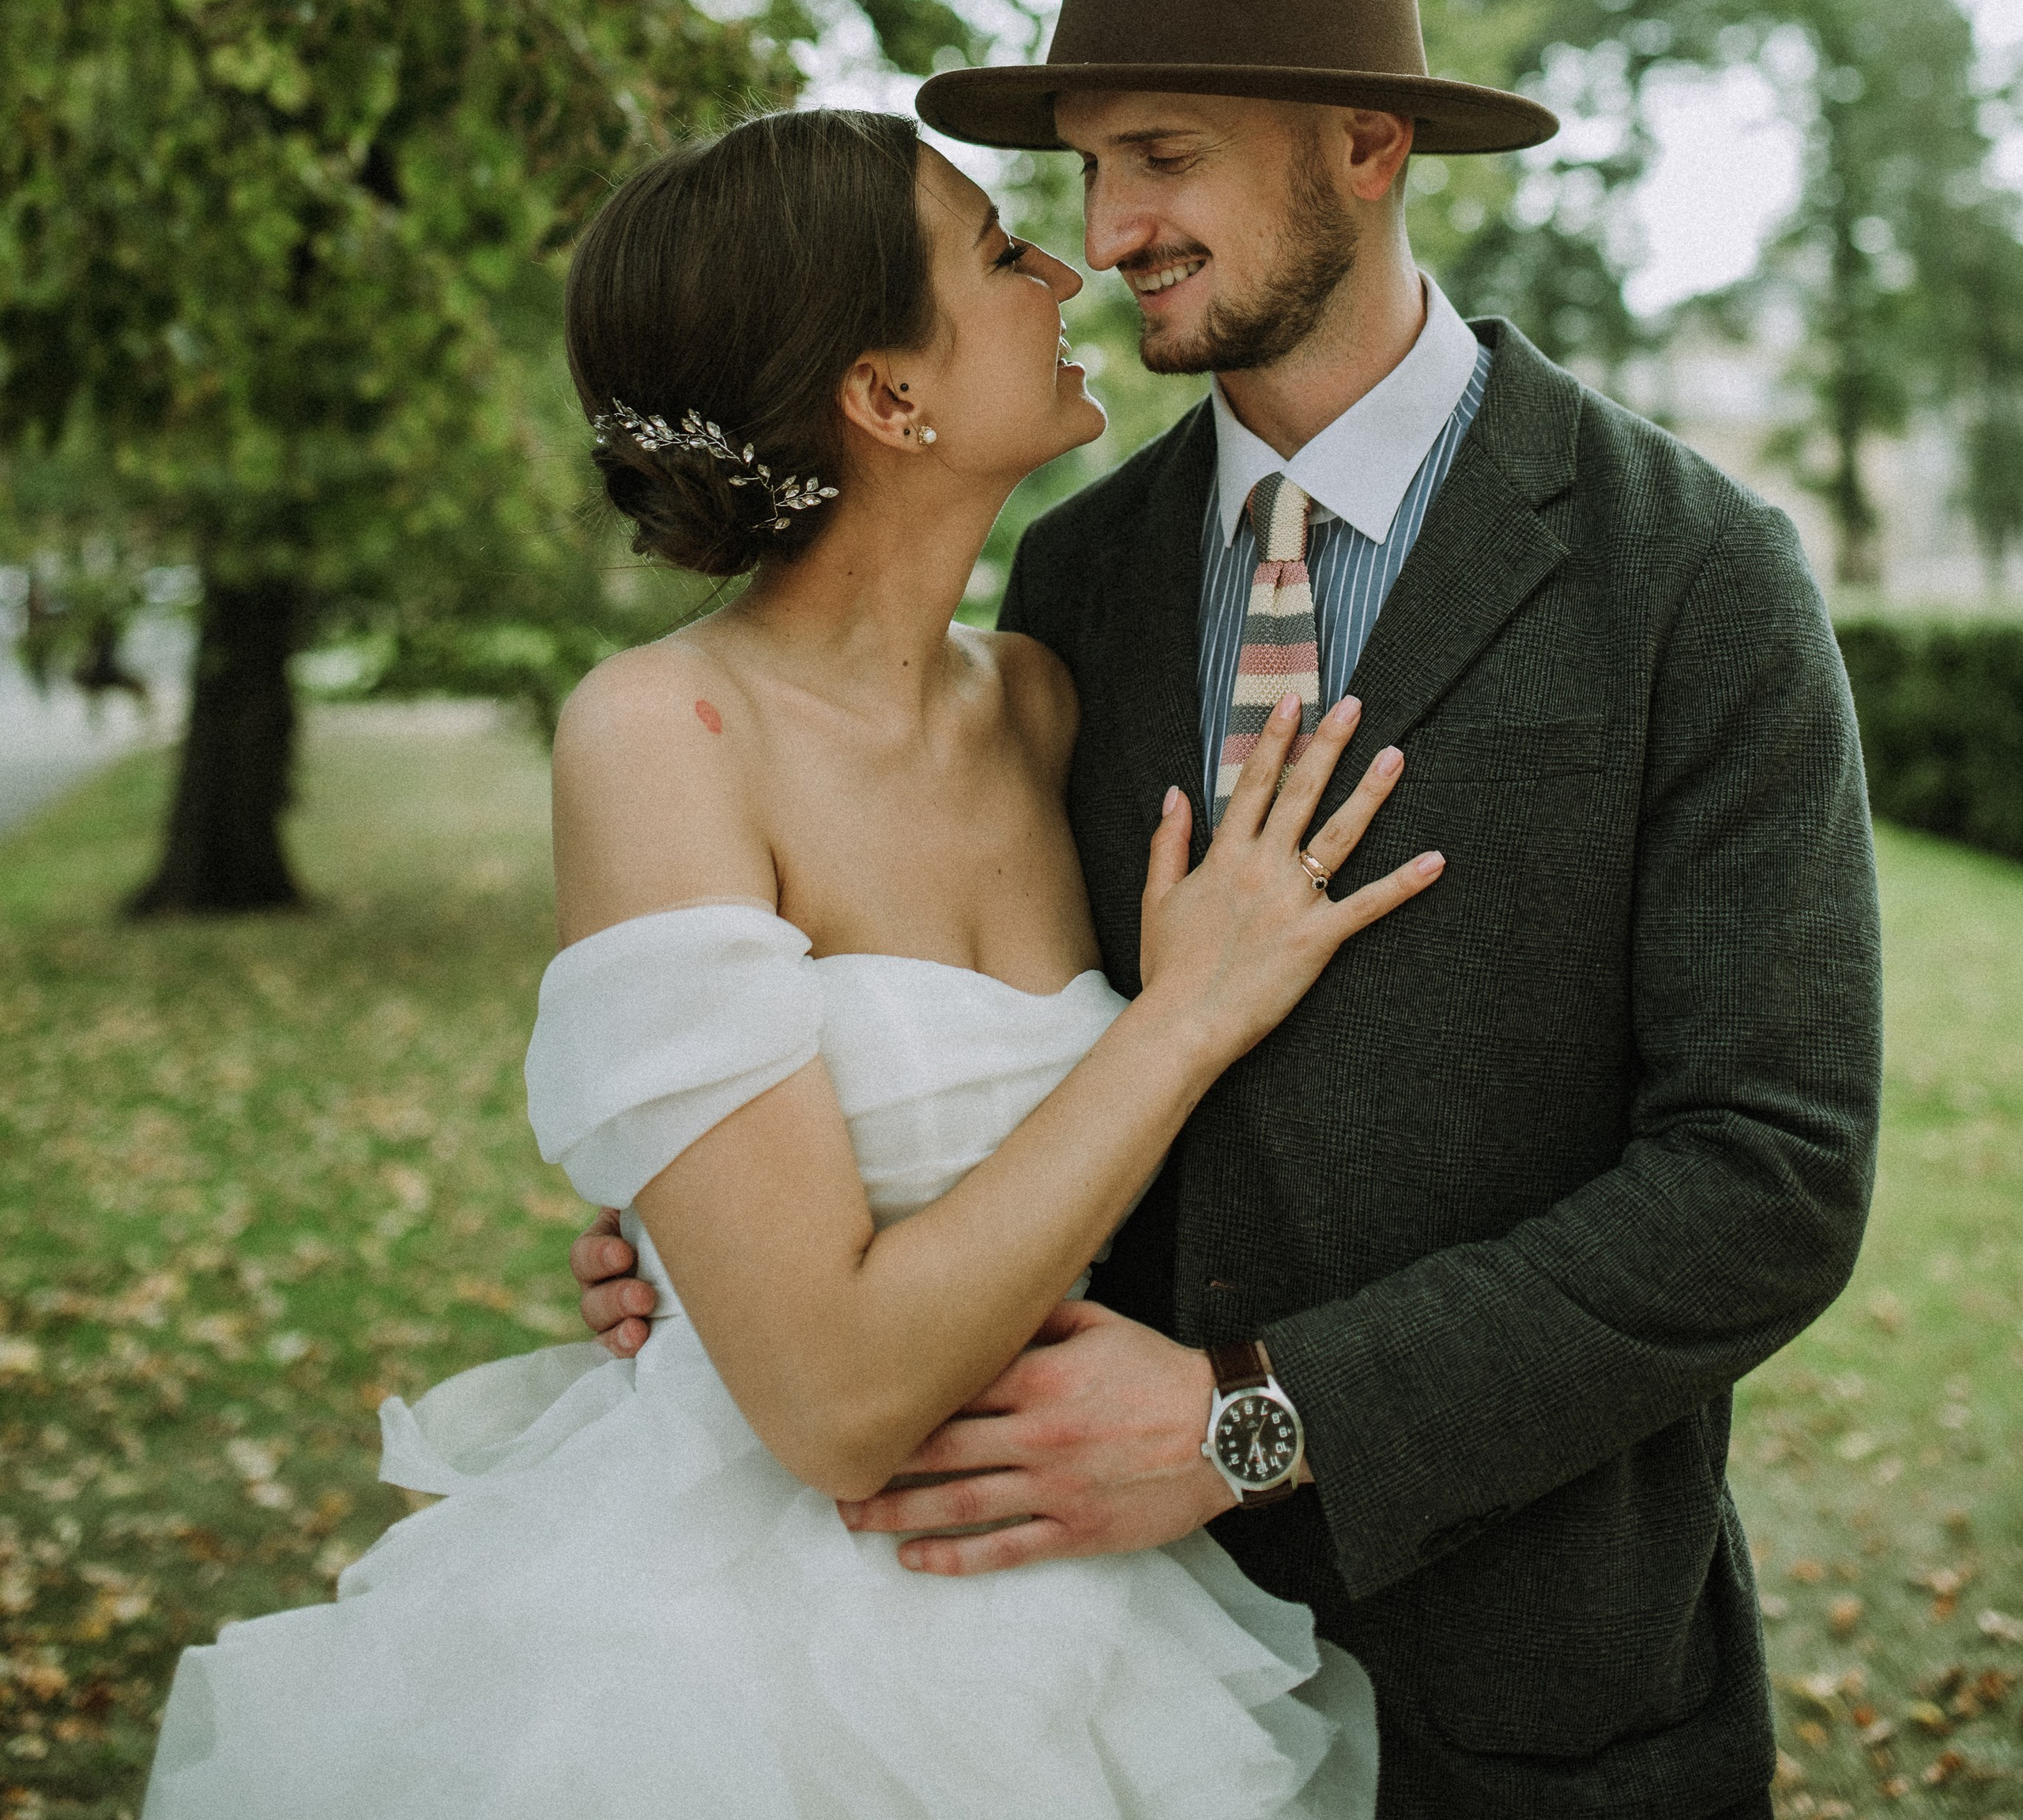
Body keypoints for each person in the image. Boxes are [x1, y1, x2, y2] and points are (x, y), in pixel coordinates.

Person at [577, 0, 1884, 1820]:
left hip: (1532, 1684)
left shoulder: (1686, 574)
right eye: (1088, 170)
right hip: (1086, 1665)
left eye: (1162, 157)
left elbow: (1766, 1177)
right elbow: (975, 1004)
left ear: (1364, 145)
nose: (1108, 234)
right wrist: (737, 1227)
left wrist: (1258, 1423)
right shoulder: (1070, 583)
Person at [144, 100, 1457, 1820]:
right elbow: (831, 1401)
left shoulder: (1047, 696)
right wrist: (1183, 1016)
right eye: (998, 253)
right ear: (884, 394)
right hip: (745, 1659)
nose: (1066, 261)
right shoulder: (661, 730)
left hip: (1089, 1607)